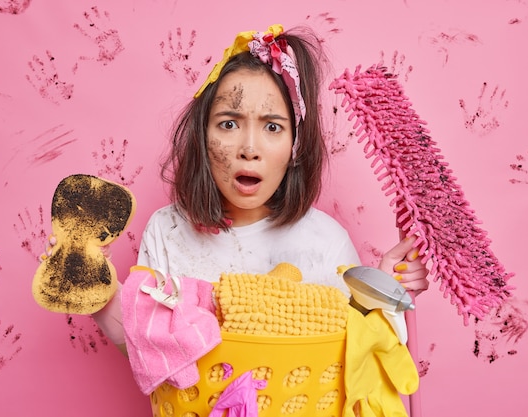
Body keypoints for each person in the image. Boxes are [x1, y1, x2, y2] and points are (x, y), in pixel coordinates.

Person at [89, 24, 429, 354]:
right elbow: (147, 350)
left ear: (296, 147)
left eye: (272, 126)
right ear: (202, 137)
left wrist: (381, 290)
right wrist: (97, 291)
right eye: (229, 124)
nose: (249, 147)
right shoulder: (168, 232)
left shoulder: (325, 241)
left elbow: (350, 354)